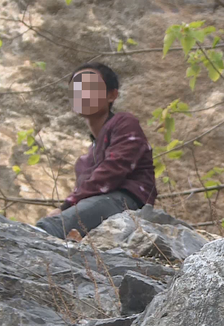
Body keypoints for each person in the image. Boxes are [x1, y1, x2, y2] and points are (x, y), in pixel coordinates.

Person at [36, 63, 157, 239]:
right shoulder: (85, 160)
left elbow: (112, 170)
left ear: (112, 95)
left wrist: (66, 207)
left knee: (51, 228)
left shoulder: (124, 123)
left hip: (126, 203)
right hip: (98, 205)